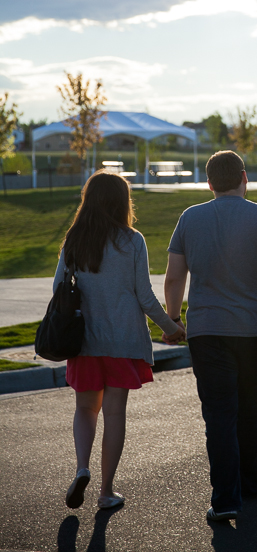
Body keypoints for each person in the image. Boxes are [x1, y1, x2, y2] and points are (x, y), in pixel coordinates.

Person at [164, 150, 257, 524]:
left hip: (208, 331)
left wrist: (173, 319)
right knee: (251, 409)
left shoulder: (190, 218)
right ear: (244, 178)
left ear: (209, 183)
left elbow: (175, 276)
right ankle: (251, 480)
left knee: (219, 415)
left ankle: (225, 498)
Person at [54, 170, 185, 511]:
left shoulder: (74, 240)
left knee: (85, 408)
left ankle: (82, 468)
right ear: (122, 202)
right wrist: (170, 326)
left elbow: (58, 290)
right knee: (114, 414)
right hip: (123, 342)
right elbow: (144, 295)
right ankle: (106, 491)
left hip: (84, 342)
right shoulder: (131, 240)